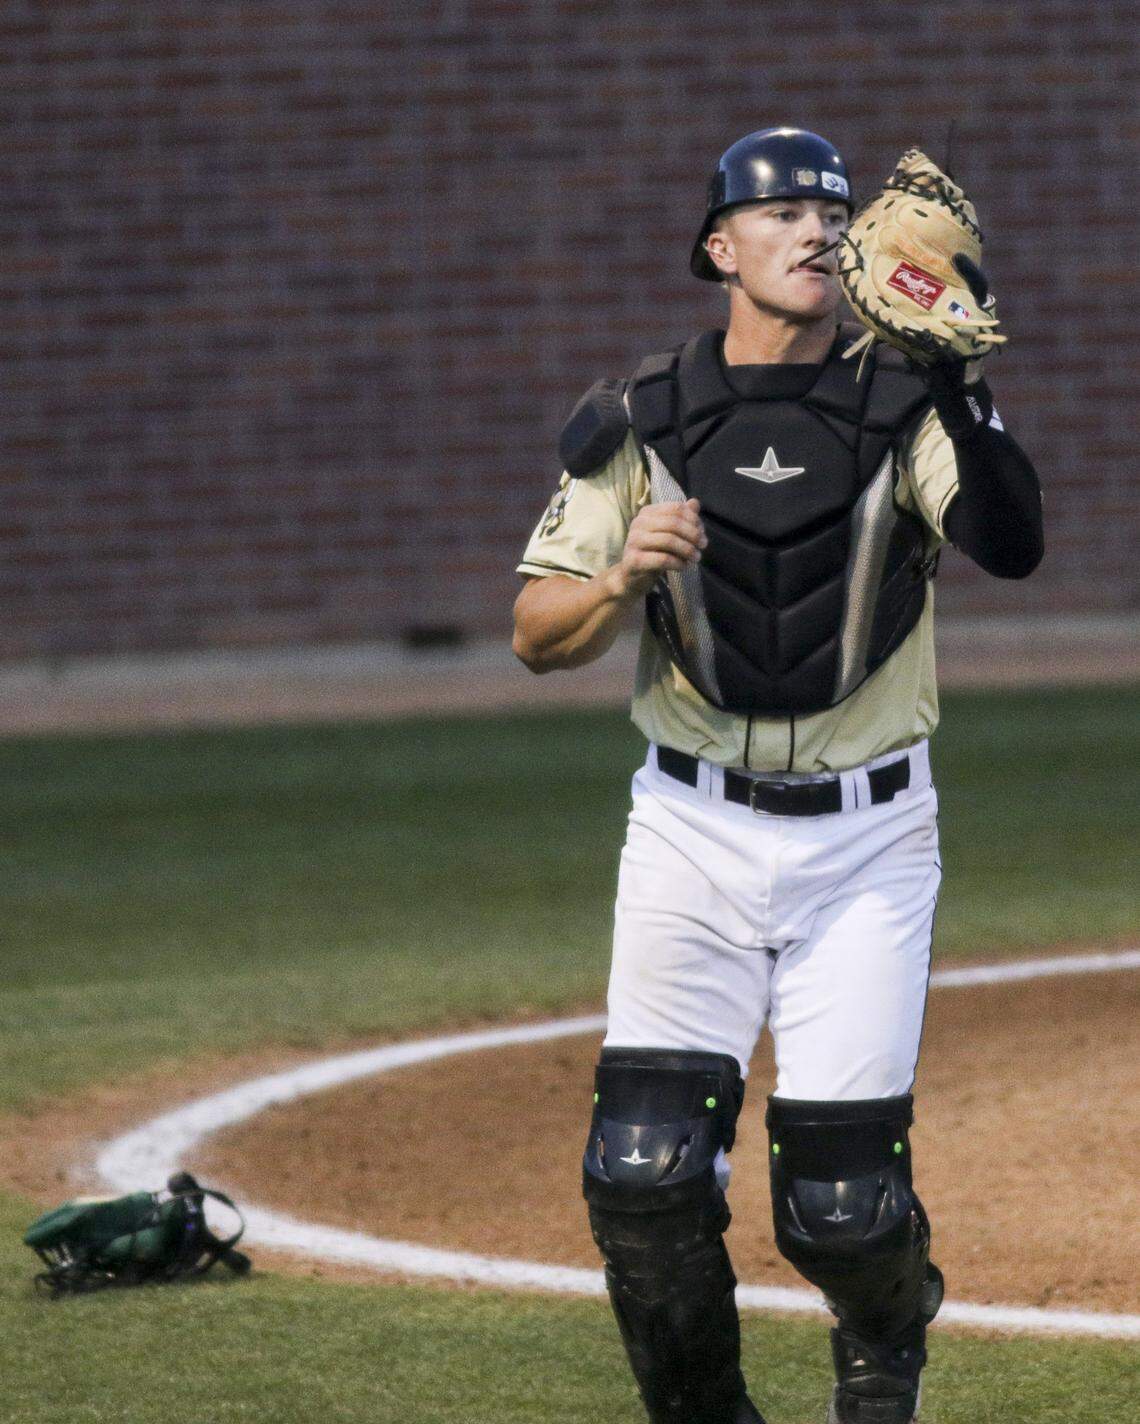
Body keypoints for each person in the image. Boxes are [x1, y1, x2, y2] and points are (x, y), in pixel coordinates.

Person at [512, 127, 1043, 1424]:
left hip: (866, 845)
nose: (815, 230)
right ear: (719, 247)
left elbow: (1011, 543)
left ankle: (886, 1334)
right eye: (782, 210)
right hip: (688, 833)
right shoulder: (642, 413)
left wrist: (959, 378)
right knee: (641, 1176)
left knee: (844, 1209)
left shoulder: (904, 403)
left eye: (833, 212)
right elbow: (535, 633)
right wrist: (622, 576)